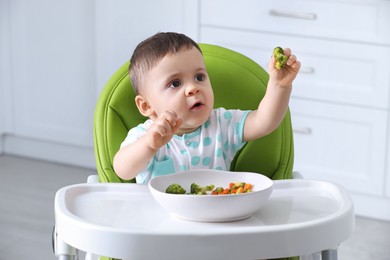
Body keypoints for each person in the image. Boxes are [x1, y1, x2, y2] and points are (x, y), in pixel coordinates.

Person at [113, 32, 301, 184]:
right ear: (146, 106)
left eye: (200, 77)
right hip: (161, 226)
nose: (193, 88)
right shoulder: (147, 136)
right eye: (175, 83)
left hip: (217, 221)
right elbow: (122, 169)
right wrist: (148, 145)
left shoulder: (221, 124)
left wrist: (280, 86)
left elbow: (264, 122)